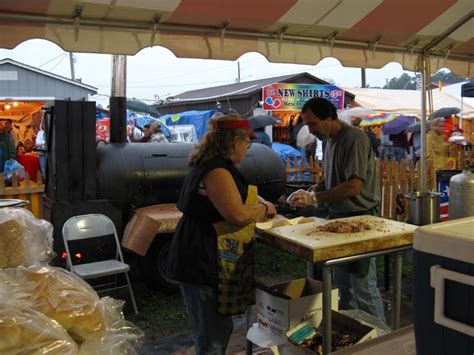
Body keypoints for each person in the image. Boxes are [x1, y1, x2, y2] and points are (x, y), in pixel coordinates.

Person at [167, 114, 277, 354]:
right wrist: (265, 208)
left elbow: (231, 197)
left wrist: (257, 200)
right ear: (234, 141)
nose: (247, 148)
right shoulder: (216, 170)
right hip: (202, 257)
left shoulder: (212, 164)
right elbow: (236, 214)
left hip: (201, 252)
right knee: (212, 338)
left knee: (215, 329)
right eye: (247, 142)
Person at [287, 97, 385, 322]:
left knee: (363, 286)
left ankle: (382, 339)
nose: (311, 130)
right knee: (342, 286)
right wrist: (316, 187)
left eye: (313, 124)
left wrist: (315, 198)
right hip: (337, 218)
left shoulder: (355, 139)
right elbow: (333, 178)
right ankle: (353, 334)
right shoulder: (328, 140)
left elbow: (353, 186)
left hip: (362, 220)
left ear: (330, 118)